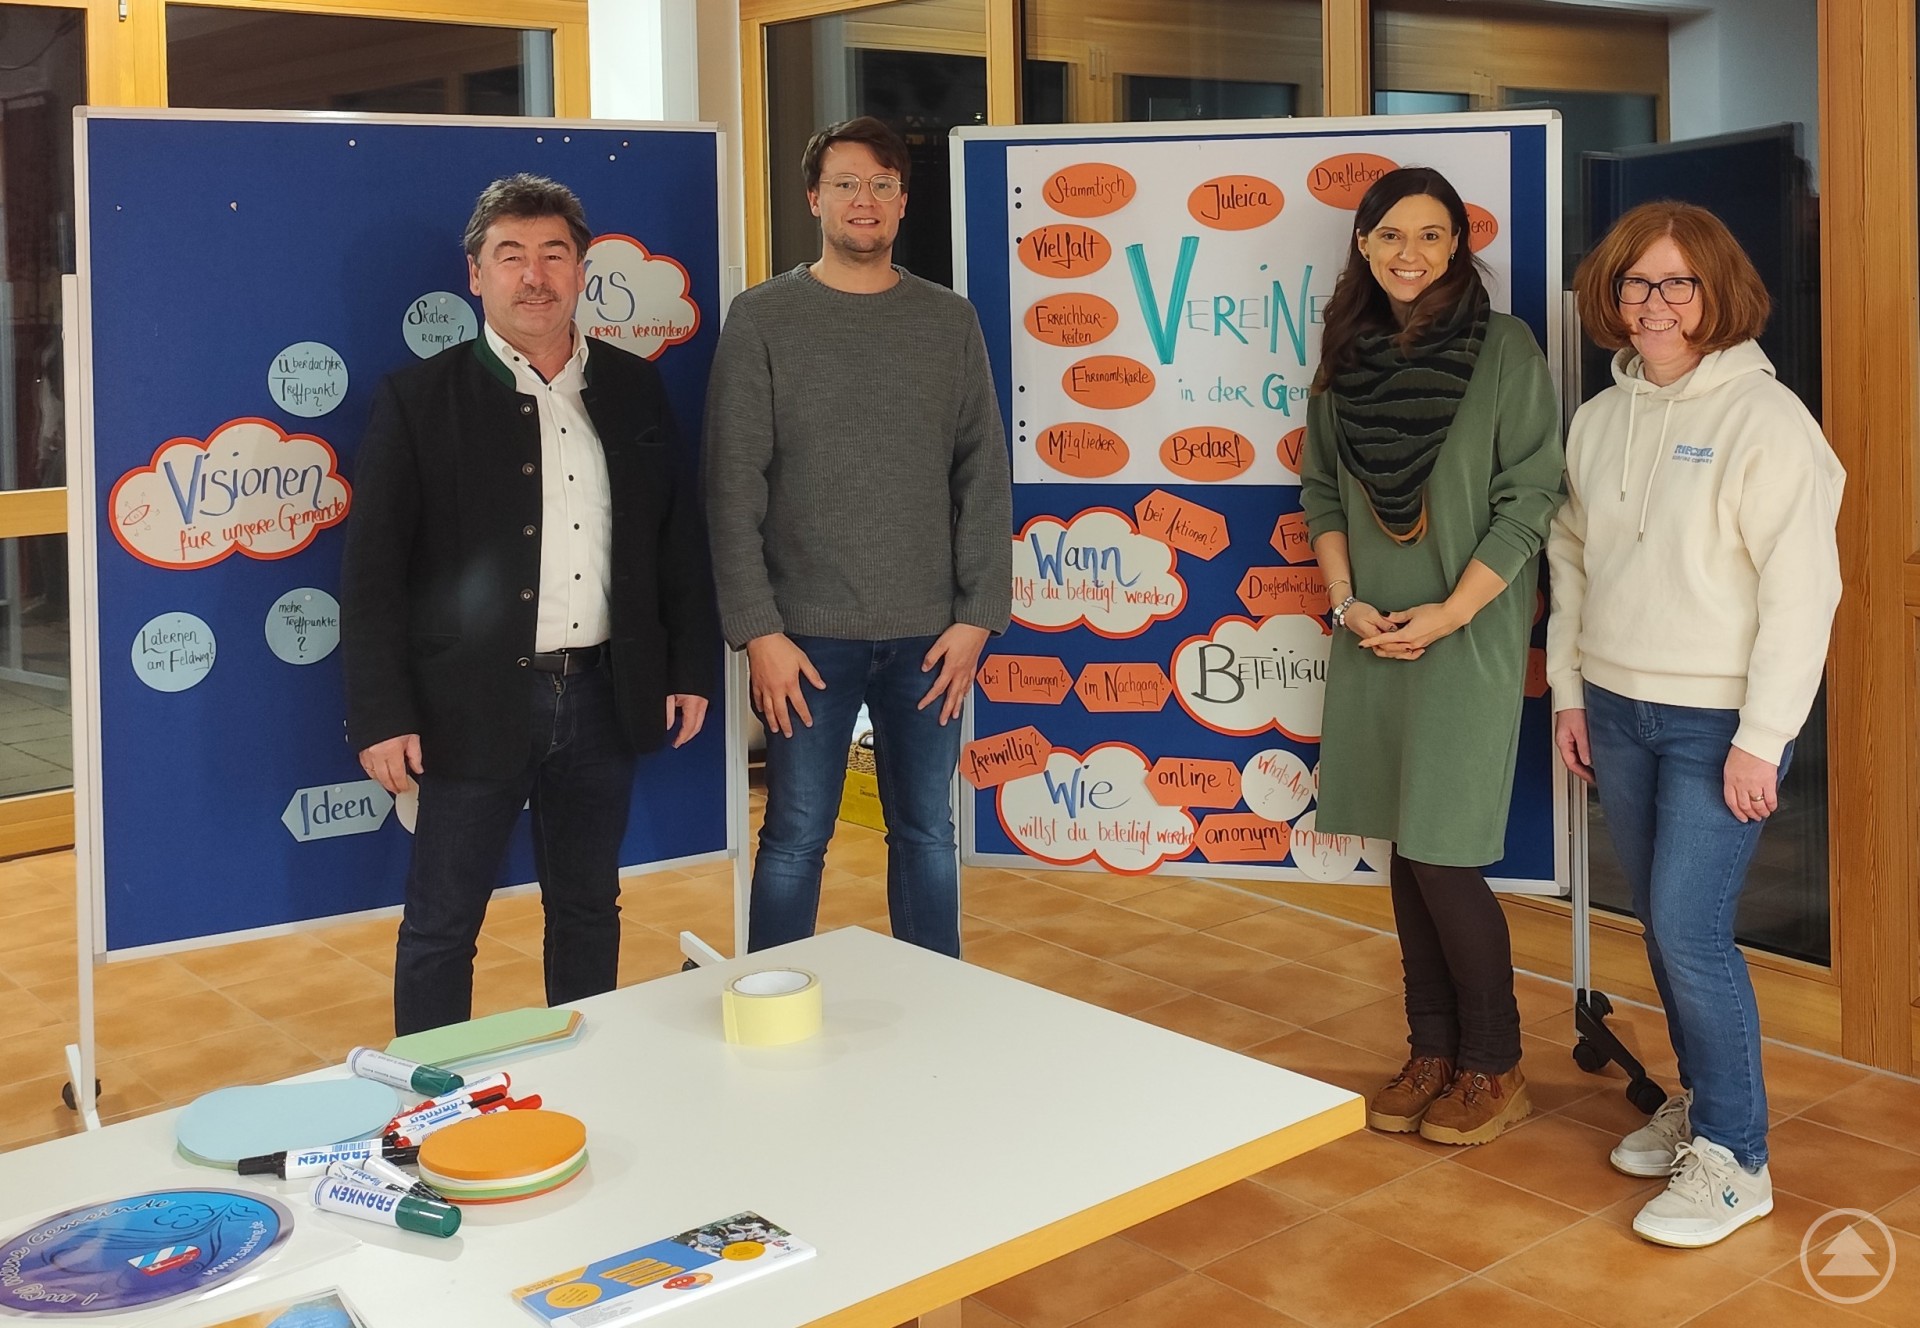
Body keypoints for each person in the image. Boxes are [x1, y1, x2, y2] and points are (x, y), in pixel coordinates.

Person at [342, 173, 720, 1036]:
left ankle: (591, 1079)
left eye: (553, 254)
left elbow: (674, 541)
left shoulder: (633, 387)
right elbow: (372, 576)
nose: (534, 276)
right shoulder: (417, 400)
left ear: (582, 271)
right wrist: (382, 714)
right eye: (510, 256)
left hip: (603, 697)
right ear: (475, 275)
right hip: (467, 704)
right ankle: (432, 1092)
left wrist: (688, 667)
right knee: (441, 927)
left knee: (588, 907)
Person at [1548, 201, 1842, 1248]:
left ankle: (1735, 1159)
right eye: (1636, 282)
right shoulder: (1599, 418)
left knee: (1689, 927)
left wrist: (1764, 734)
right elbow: (1573, 557)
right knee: (1662, 927)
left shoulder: (1769, 420)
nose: (1655, 304)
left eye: (1679, 283)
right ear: (1611, 294)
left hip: (1718, 720)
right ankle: (1702, 1103)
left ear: (1718, 292)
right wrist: (1571, 690)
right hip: (1617, 705)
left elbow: (1803, 591)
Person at [703, 116, 1012, 958]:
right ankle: (771, 1000)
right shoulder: (763, 318)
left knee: (927, 832)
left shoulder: (948, 321)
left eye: (881, 184)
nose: (863, 199)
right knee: (795, 836)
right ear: (814, 198)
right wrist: (758, 632)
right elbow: (731, 487)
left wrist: (978, 616)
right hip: (804, 638)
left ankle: (937, 1002)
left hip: (931, 637)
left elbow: (983, 476)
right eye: (845, 183)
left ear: (904, 201)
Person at [1300, 166, 1564, 1147]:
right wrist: (1346, 602)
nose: (1409, 253)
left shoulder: (1504, 347)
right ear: (1363, 245)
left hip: (1467, 630)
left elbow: (1532, 492)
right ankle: (1432, 1051)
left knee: (1444, 851)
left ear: (1458, 246)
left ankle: (1495, 1062)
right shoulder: (1345, 349)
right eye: (1390, 235)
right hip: (1373, 631)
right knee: (1403, 851)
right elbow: (1320, 489)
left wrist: (1451, 613)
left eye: (1431, 234)